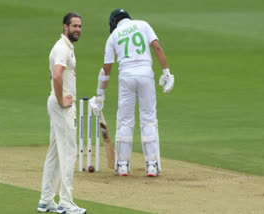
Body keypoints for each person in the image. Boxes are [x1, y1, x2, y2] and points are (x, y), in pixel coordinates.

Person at [91, 9, 174, 177]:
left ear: (114, 23)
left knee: (125, 120)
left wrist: (100, 95)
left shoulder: (113, 36)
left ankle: (122, 165)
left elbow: (106, 70)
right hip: (145, 75)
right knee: (149, 119)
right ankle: (152, 165)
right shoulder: (143, 25)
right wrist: (167, 73)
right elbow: (156, 47)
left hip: (126, 77)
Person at [37, 12, 86, 214]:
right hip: (61, 106)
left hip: (58, 104)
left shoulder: (66, 47)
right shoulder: (62, 48)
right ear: (65, 27)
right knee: (68, 152)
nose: (78, 30)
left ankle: (46, 200)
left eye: (80, 26)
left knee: (55, 153)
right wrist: (60, 99)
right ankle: (66, 203)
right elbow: (57, 74)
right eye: (74, 26)